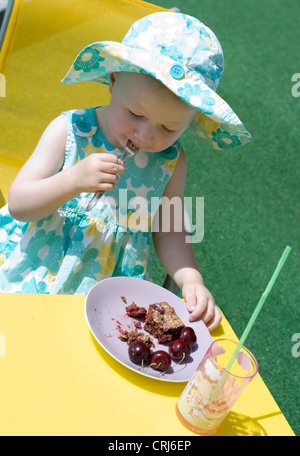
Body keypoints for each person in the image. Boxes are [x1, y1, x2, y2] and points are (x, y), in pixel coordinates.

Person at [0, 12, 252, 330]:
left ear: (191, 121)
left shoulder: (170, 163)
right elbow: (20, 203)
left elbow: (169, 230)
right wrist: (72, 180)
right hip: (34, 268)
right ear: (114, 79)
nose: (146, 135)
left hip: (110, 286)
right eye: (135, 113)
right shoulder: (71, 130)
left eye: (168, 128)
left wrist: (190, 278)